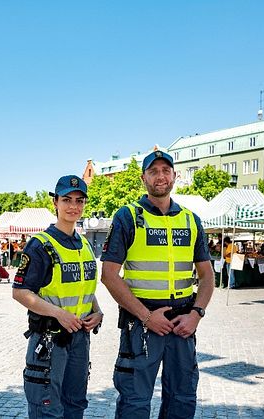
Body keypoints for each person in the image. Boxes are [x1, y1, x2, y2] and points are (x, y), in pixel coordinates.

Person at [100, 150, 213, 418]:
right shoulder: (128, 217)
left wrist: (196, 315)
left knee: (182, 400)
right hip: (141, 325)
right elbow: (109, 275)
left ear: (175, 176)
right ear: (143, 178)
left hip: (182, 324)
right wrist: (147, 316)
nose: (160, 176)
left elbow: (208, 277)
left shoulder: (191, 220)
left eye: (165, 170)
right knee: (134, 403)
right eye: (153, 171)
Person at [12, 175, 103, 418]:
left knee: (75, 405)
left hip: (80, 338)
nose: (73, 206)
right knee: (47, 408)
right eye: (67, 200)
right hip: (51, 339)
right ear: (55, 203)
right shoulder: (40, 245)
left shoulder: (84, 244)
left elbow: (84, 288)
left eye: (79, 200)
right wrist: (58, 313)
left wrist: (97, 311)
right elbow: (19, 292)